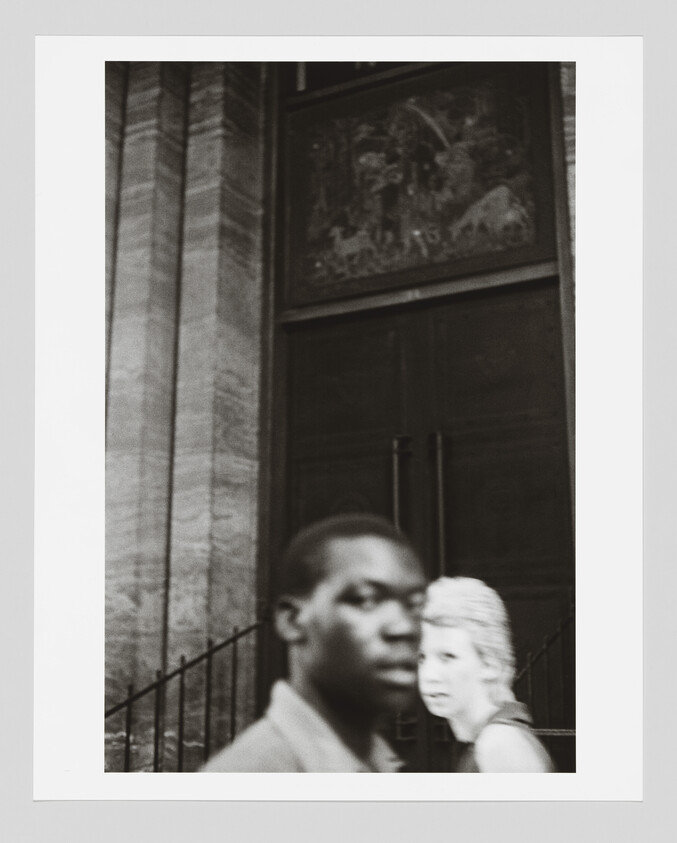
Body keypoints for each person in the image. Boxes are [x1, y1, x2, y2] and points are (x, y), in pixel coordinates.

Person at [202, 513, 427, 772]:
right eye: (366, 599)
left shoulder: (379, 764)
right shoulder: (245, 783)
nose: (405, 627)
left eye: (415, 605)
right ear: (292, 620)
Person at [418, 576, 554, 772]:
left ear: (490, 664)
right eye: (422, 657)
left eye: (448, 656)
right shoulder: (492, 739)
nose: (429, 675)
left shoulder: (499, 745)